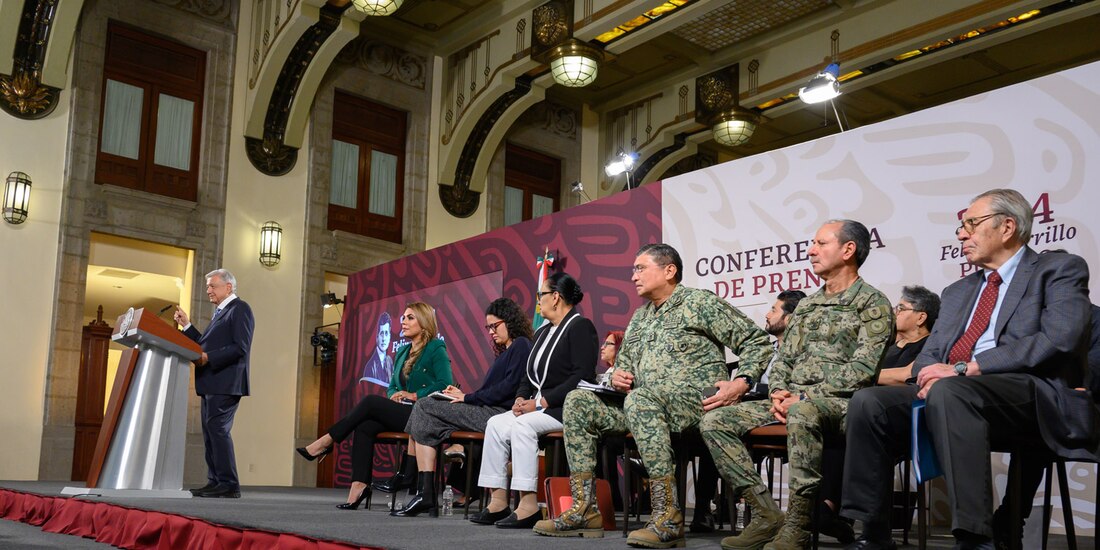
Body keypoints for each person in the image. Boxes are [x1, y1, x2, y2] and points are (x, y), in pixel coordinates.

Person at [841, 189, 1097, 550]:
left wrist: (966, 368)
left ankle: (976, 537)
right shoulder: (958, 290)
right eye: (962, 227)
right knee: (869, 402)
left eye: (972, 224)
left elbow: (1060, 338)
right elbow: (932, 352)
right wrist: (929, 374)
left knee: (952, 391)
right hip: (956, 389)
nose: (962, 234)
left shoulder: (1058, 270)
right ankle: (873, 531)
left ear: (1007, 227)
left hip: (1028, 390)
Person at [534, 243, 773, 548]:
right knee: (578, 401)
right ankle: (584, 509)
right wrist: (617, 377)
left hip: (694, 402)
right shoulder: (640, 317)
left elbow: (756, 341)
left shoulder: (699, 303)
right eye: (633, 270)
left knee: (641, 400)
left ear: (669, 270)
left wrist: (741, 382)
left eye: (640, 268)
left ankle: (667, 516)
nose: (633, 276)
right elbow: (623, 366)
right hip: (643, 405)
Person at [700, 220, 894, 550]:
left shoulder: (871, 302)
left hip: (842, 404)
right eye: (812, 244)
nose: (811, 251)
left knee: (803, 413)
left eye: (821, 243)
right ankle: (766, 514)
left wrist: (804, 396)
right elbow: (784, 359)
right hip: (792, 399)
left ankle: (799, 525)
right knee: (714, 420)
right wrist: (778, 392)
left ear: (848, 250)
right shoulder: (807, 306)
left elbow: (863, 370)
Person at [472, 272, 599, 529]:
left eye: (542, 294)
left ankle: (528, 505)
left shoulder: (580, 327)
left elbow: (582, 376)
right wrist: (521, 397)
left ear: (556, 297)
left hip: (564, 408)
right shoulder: (542, 333)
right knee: (495, 424)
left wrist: (542, 402)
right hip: (536, 407)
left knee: (522, 426)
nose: (538, 299)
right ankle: (498, 502)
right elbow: (527, 376)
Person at [296, 302, 452, 509]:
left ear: (424, 322)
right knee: (365, 426)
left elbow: (445, 384)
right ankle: (359, 486)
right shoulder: (402, 351)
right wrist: (393, 395)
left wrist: (414, 395)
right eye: (403, 317)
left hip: (423, 414)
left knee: (370, 402)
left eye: (410, 318)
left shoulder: (435, 348)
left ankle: (327, 441)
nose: (403, 322)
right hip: (403, 412)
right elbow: (392, 386)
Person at [390, 298, 534, 517]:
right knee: (427, 411)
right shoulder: (506, 351)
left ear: (510, 321)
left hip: (499, 415)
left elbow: (508, 389)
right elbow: (492, 391)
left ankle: (416, 483)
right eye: (488, 327)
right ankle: (423, 490)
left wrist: (466, 397)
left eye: (495, 326)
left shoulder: (521, 344)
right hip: (488, 410)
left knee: (425, 406)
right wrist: (458, 396)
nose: (491, 332)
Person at [174, 268, 254, 499]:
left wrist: (209, 357)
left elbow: (240, 347)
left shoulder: (240, 309)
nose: (208, 290)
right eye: (207, 286)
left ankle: (229, 484)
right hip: (212, 383)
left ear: (228, 287)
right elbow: (205, 345)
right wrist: (187, 326)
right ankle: (216, 481)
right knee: (210, 432)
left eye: (212, 286)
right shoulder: (221, 313)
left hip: (226, 382)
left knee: (218, 430)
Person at [875, 285, 940, 386]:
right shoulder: (888, 343)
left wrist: (859, 376)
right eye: (896, 308)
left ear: (921, 318)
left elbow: (907, 375)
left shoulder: (931, 346)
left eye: (901, 308)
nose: (895, 313)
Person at [361, 312, 394, 386]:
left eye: (386, 333)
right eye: (381, 333)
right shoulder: (370, 367)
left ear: (389, 337)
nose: (384, 338)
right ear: (377, 337)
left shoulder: (389, 361)